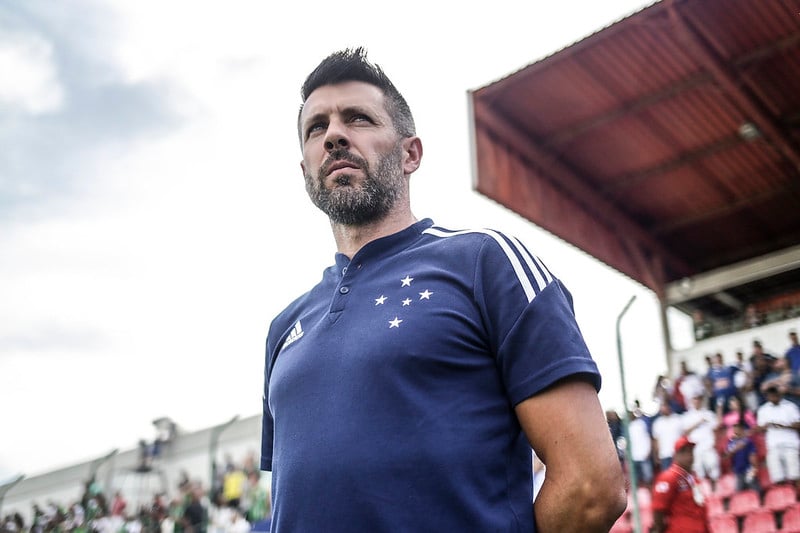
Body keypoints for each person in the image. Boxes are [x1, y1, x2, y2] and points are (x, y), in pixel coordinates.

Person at [259, 47, 626, 532]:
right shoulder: (284, 328)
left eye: (358, 119)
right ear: (305, 170)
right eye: (316, 128)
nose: (334, 137)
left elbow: (591, 486)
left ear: (410, 154)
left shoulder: (484, 262)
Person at [652, 436, 708, 533]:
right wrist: (659, 528)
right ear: (676, 455)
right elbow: (658, 509)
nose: (689, 455)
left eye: (690, 451)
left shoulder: (692, 478)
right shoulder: (668, 477)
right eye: (684, 452)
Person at [756, 385, 800, 488]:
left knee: (795, 475)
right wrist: (765, 426)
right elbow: (759, 428)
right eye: (770, 396)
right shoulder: (763, 410)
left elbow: (798, 424)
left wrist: (784, 426)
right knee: (778, 478)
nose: (773, 398)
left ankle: (797, 498)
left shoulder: (790, 406)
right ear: (767, 397)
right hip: (773, 446)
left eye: (775, 396)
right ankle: (785, 499)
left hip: (790, 444)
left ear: (779, 395)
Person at [723, 422, 760, 494]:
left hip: (749, 469)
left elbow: (752, 455)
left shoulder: (748, 441)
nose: (735, 431)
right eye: (734, 429)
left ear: (742, 430)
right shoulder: (731, 442)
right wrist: (736, 448)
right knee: (738, 491)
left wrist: (754, 468)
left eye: (737, 429)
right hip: (738, 470)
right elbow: (726, 456)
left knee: (754, 489)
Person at [652, 401, 685, 471]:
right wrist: (656, 455)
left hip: (678, 453)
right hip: (664, 455)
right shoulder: (657, 423)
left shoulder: (678, 419)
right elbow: (656, 440)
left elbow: (684, 434)